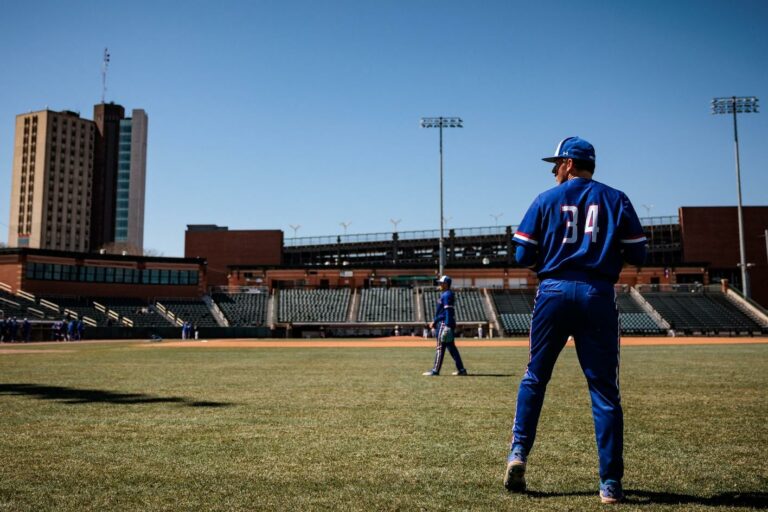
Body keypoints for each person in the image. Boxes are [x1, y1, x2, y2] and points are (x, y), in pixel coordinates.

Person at [503, 137, 646, 504]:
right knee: (604, 391)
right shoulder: (617, 198)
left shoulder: (545, 199)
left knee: (535, 377)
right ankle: (610, 484)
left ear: (568, 163)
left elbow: (521, 253)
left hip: (552, 291)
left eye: (556, 164)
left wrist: (551, 263)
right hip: (598, 293)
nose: (553, 170)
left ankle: (518, 453)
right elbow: (638, 252)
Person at [422, 275, 468, 376]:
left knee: (440, 348)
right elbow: (443, 311)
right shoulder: (446, 294)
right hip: (443, 322)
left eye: (441, 283)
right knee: (452, 348)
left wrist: (447, 325)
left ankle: (435, 370)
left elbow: (448, 311)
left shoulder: (447, 295)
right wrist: (435, 321)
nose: (439, 284)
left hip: (443, 324)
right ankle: (461, 370)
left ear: (446, 284)